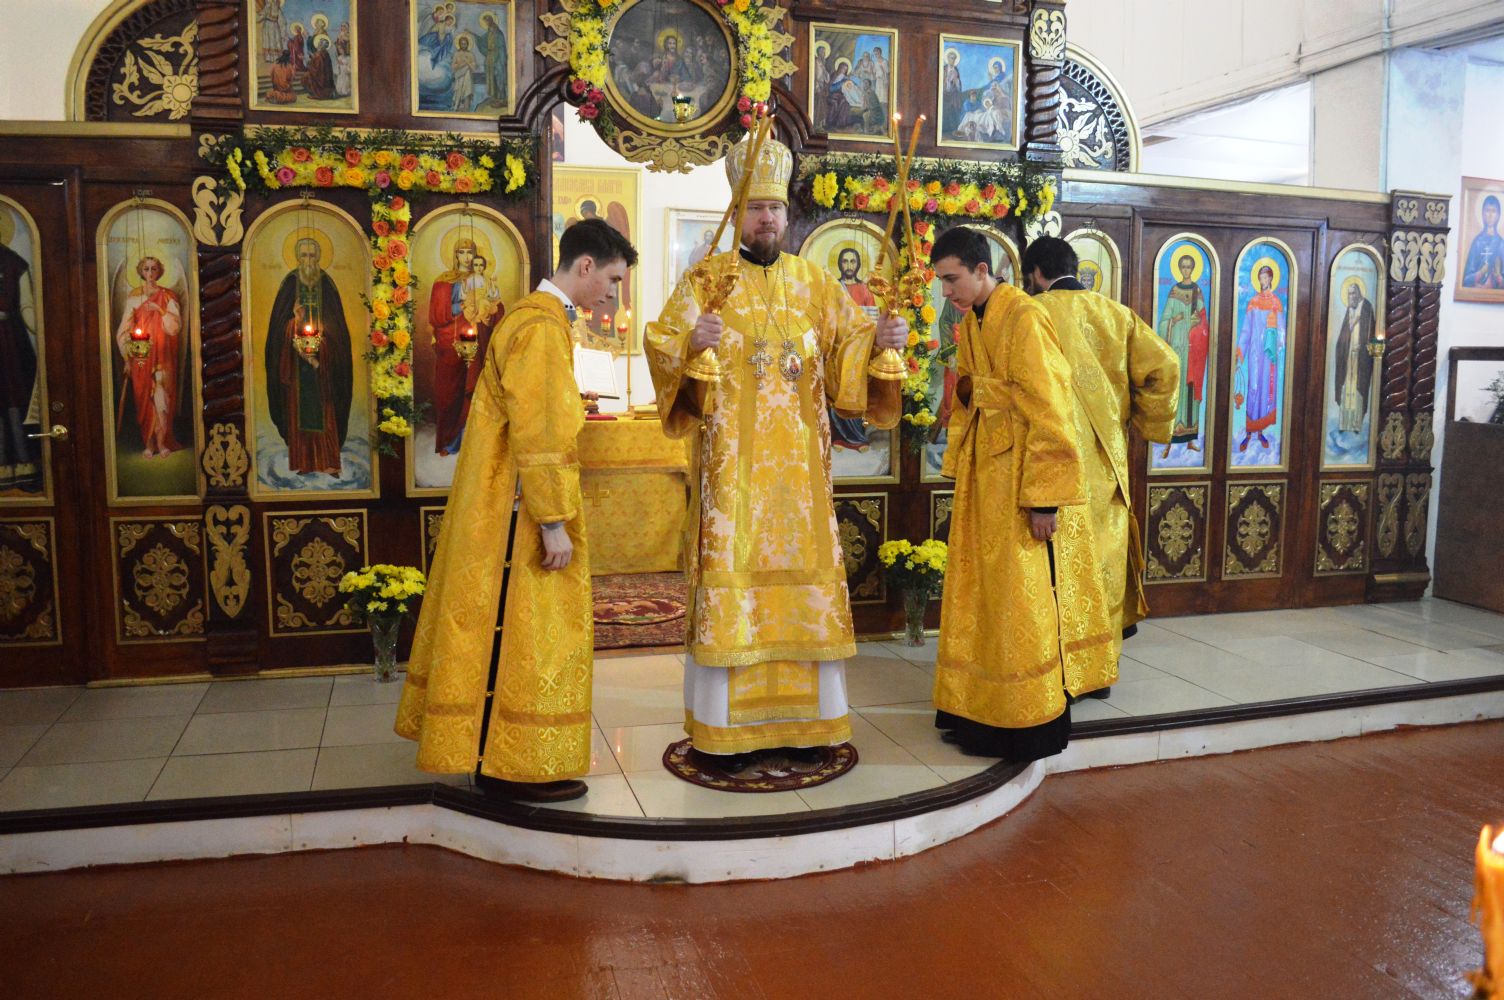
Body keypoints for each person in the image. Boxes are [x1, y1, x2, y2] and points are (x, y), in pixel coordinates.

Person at [645, 134, 908, 762]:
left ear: (788, 216)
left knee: (803, 592)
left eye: (776, 208)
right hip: (731, 482)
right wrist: (691, 343)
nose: (767, 218)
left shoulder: (816, 282)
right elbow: (662, 343)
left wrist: (881, 340)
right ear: (737, 213)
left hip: (801, 486)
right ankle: (724, 733)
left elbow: (850, 351)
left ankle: (809, 726)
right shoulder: (705, 280)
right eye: (756, 208)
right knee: (734, 587)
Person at [396, 218, 638, 803]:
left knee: (500, 623)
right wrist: (553, 521)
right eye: (611, 279)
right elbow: (542, 429)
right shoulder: (542, 328)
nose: (612, 293)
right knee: (521, 625)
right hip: (520, 506)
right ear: (585, 266)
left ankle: (495, 754)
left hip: (499, 496)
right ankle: (507, 763)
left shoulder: (530, 318)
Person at [930, 226, 1104, 763]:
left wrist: (1044, 499)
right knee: (981, 593)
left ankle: (1026, 718)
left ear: (982, 270)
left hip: (1021, 481)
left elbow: (1051, 407)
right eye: (941, 282)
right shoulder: (972, 322)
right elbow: (973, 392)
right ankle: (975, 709)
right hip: (985, 477)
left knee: (1019, 598)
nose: (947, 292)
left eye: (952, 279)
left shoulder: (1025, 317)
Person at [1023, 236, 1180, 695]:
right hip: (1106, 464)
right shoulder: (1117, 314)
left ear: (1035, 274)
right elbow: (1166, 366)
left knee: (1054, 567)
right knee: (1102, 564)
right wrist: (1143, 422)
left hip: (1048, 463)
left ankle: (1056, 675)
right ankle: (1098, 673)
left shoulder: (1032, 313)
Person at [263, 238, 354, 476]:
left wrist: (324, 339)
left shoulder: (327, 284)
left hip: (323, 365)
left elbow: (339, 329)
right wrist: (294, 322)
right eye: (303, 255)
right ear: (297, 257)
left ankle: (329, 462)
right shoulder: (289, 284)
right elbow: (277, 330)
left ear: (319, 257)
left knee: (325, 410)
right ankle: (304, 462)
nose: (308, 261)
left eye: (312, 256)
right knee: (299, 411)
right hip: (295, 366)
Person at [114, 256, 185, 459]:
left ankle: (162, 443)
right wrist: (127, 357)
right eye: (146, 269)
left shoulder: (168, 296)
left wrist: (159, 309)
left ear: (159, 271)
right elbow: (124, 329)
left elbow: (174, 327)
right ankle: (149, 443)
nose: (150, 273)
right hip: (142, 352)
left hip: (163, 353)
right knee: (144, 398)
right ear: (141, 272)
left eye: (154, 269)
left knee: (162, 398)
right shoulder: (134, 297)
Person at [429, 239, 481, 455]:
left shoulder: (482, 280)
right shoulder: (444, 281)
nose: (466, 257)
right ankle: (447, 442)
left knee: (473, 391)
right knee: (448, 394)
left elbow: (494, 307)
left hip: (476, 343)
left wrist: (486, 307)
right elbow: (437, 314)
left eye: (470, 252)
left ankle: (470, 443)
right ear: (455, 255)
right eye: (462, 252)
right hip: (449, 344)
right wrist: (463, 305)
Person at [0, 232, 40, 492]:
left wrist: (45, 333)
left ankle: (25, 465)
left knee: (15, 396)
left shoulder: (13, 262)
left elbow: (26, 305)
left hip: (11, 341)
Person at [1159, 253, 1208, 456]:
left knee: (1191, 393)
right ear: (1180, 269)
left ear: (1192, 269)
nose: (1186, 270)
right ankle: (1169, 441)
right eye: (1184, 266)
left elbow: (1204, 322)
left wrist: (1199, 324)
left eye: (1189, 267)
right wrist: (1174, 320)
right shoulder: (1174, 291)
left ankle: (1190, 440)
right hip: (1177, 350)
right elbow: (1163, 321)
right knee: (1176, 391)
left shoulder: (1197, 291)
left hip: (1193, 351)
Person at [1236, 264, 1283, 453]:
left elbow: (1282, 332)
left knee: (1266, 391)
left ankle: (1261, 431)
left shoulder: (1276, 303)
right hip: (1255, 354)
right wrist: (1240, 352)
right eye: (1260, 278)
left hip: (1269, 355)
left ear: (1271, 279)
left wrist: (1276, 340)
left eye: (1266, 277)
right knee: (1253, 389)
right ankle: (1249, 432)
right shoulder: (1253, 302)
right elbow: (1246, 330)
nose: (1263, 281)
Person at [1333, 281, 1375, 435]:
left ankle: (1356, 425)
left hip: (1360, 359)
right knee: (1346, 386)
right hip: (1348, 358)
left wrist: (1362, 347)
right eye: (1349, 294)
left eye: (1353, 293)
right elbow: (1344, 335)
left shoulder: (1367, 308)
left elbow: (1371, 333)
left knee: (1358, 388)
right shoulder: (1349, 310)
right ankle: (1344, 423)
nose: (1350, 297)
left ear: (1358, 294)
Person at [1463, 194, 1504, 290]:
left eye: (1493, 211)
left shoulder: (1501, 244)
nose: (1490, 215)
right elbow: (1466, 280)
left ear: (1498, 215)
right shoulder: (1477, 242)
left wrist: (1498, 277)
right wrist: (1480, 273)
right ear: (1483, 214)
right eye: (1487, 210)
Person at [479, 11, 507, 109]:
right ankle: (495, 98)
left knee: (499, 78)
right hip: (491, 58)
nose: (486, 24)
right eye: (485, 22)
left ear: (491, 21)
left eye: (487, 21)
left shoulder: (498, 33)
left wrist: (500, 59)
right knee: (492, 78)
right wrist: (473, 35)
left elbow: (501, 47)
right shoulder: (489, 32)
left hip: (498, 58)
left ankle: (502, 99)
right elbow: (481, 40)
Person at [451, 34, 479, 112]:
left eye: (465, 44)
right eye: (462, 44)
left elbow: (474, 68)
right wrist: (461, 64)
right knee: (459, 91)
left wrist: (467, 62)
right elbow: (453, 67)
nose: (463, 45)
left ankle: (466, 107)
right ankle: (457, 106)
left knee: (467, 91)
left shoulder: (470, 54)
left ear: (468, 44)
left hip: (468, 77)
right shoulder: (456, 54)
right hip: (459, 76)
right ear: (459, 44)